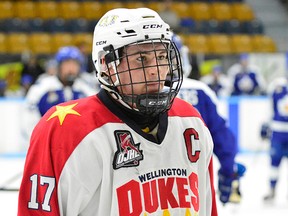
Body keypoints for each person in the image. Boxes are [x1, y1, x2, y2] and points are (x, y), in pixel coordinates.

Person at [18, 8, 218, 216]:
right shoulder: (68, 131)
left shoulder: (189, 121)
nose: (156, 70)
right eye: (141, 59)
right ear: (106, 64)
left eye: (161, 56)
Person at [172, 33, 245, 204]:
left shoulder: (137, 94)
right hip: (193, 184)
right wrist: (229, 171)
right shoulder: (200, 91)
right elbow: (223, 138)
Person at [262, 75, 288, 201]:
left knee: (274, 163)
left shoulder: (277, 85)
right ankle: (272, 190)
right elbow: (270, 109)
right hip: (278, 132)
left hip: (278, 133)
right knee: (274, 163)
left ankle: (272, 190)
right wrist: (267, 124)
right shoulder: (277, 85)